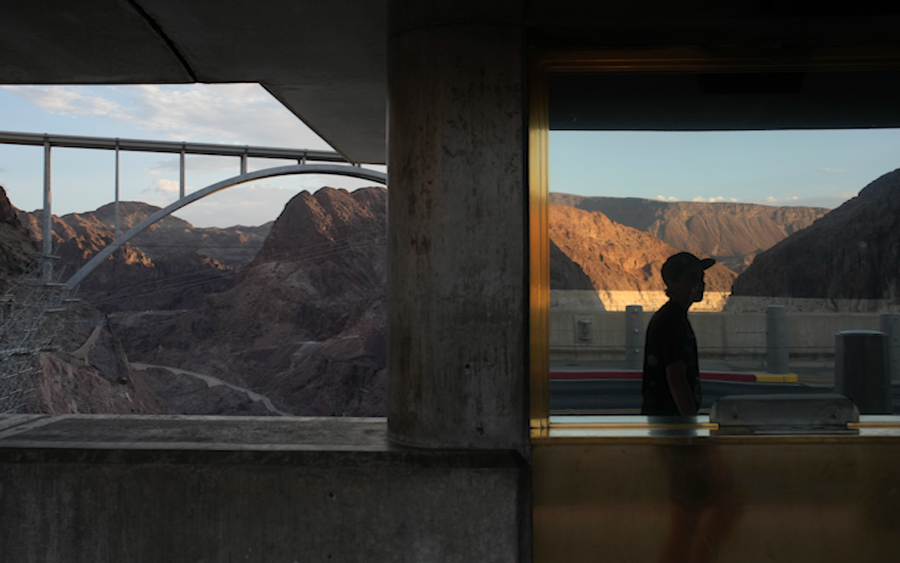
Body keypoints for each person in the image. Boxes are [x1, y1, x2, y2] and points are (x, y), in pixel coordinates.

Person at [641, 252, 714, 416]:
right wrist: (689, 422)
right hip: (669, 420)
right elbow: (676, 377)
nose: (700, 284)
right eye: (691, 278)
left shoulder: (673, 316)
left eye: (701, 278)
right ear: (673, 285)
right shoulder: (673, 320)